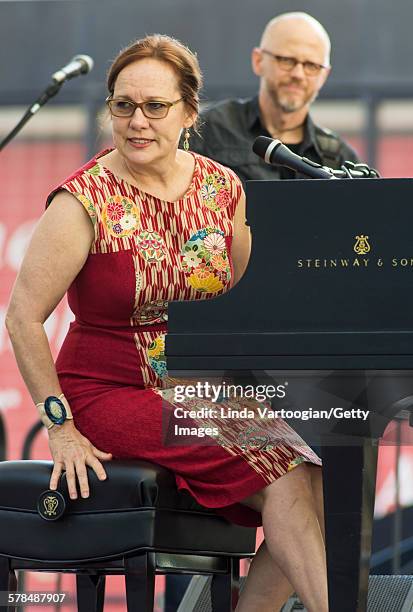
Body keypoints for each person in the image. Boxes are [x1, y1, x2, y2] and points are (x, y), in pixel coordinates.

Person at [6, 35, 328, 612]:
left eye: (155, 106)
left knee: (306, 476)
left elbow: (254, 297)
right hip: (106, 393)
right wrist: (60, 428)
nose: (137, 121)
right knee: (286, 476)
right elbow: (23, 317)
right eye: (123, 105)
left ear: (187, 113)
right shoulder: (83, 200)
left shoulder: (221, 188)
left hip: (192, 394)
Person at [191, 12, 360, 181]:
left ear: (324, 75)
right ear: (258, 61)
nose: (298, 74)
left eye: (311, 65)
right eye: (286, 60)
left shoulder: (340, 159)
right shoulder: (208, 130)